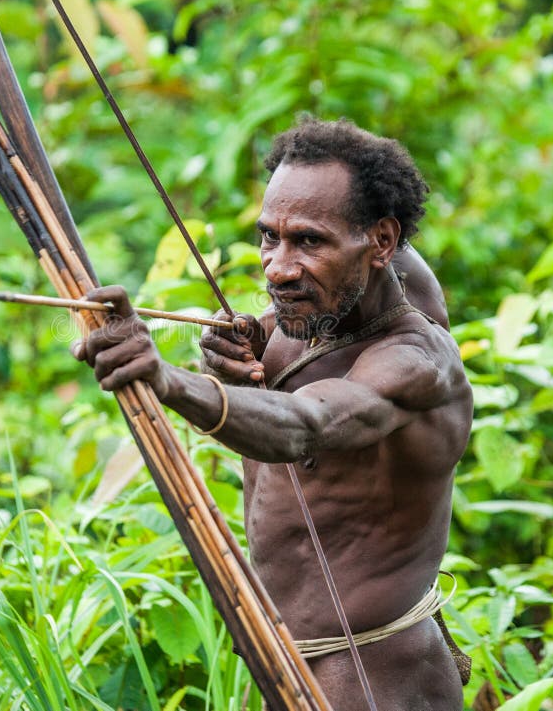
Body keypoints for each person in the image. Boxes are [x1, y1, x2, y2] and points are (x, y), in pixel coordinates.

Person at [73, 117, 474, 711]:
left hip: (373, 681)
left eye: (310, 241)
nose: (278, 269)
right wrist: (248, 339)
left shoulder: (415, 363)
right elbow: (292, 343)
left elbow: (306, 424)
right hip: (291, 668)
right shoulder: (320, 308)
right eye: (269, 238)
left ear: (381, 243)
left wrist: (166, 378)